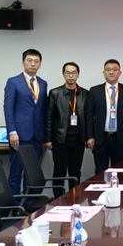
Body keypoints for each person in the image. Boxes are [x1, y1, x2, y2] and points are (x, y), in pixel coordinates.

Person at [3, 49, 48, 198]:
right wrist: (12, 132)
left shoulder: (43, 83)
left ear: (40, 64)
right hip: (19, 135)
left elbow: (42, 109)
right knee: (16, 172)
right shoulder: (13, 82)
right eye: (29, 60)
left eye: (36, 61)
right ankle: (15, 205)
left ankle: (29, 204)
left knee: (32, 173)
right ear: (23, 62)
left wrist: (45, 135)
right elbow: (8, 108)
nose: (33, 64)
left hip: (37, 135)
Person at [45, 62, 87, 194]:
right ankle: (58, 200)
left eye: (74, 73)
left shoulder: (85, 94)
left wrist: (88, 137)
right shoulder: (55, 93)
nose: (71, 76)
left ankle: (73, 199)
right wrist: (48, 139)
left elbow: (89, 117)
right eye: (68, 73)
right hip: (60, 139)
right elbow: (49, 117)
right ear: (63, 74)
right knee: (59, 172)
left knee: (75, 172)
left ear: (78, 74)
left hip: (78, 140)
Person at [85, 59, 123, 174]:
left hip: (119, 138)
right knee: (100, 171)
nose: (111, 72)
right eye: (108, 70)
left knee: (119, 171)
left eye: (114, 70)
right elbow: (89, 115)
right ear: (104, 72)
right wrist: (90, 136)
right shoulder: (95, 91)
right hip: (100, 138)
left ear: (120, 73)